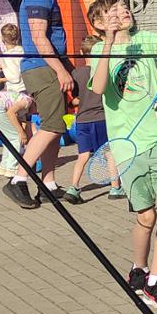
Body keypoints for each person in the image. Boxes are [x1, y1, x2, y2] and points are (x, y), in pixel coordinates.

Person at [86, 0, 157, 310]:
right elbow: (98, 87)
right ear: (98, 23)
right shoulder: (98, 51)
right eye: (113, 10)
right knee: (146, 217)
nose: (123, 11)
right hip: (127, 145)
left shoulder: (146, 39)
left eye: (124, 7)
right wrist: (108, 42)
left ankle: (155, 281)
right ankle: (139, 268)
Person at [5, 0, 76, 209]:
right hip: (41, 68)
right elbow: (38, 37)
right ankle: (18, 179)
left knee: (55, 126)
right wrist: (60, 71)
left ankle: (49, 184)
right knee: (53, 126)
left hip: (48, 67)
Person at [0, 22, 32, 182]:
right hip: (18, 94)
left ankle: (12, 166)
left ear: (2, 39)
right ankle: (16, 163)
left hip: (16, 95)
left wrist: (3, 72)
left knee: (15, 134)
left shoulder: (8, 55)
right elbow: (18, 74)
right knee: (17, 131)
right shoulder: (22, 51)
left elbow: (14, 77)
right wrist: (3, 75)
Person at [61, 34, 108, 204]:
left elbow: (75, 100)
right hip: (101, 118)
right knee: (109, 153)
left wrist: (78, 102)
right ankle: (116, 187)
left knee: (83, 155)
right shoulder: (104, 72)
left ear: (81, 52)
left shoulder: (76, 73)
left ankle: (74, 187)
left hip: (81, 120)